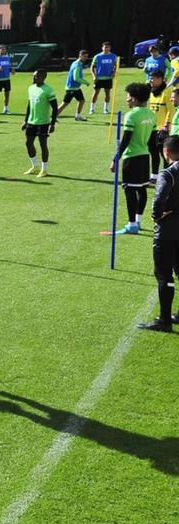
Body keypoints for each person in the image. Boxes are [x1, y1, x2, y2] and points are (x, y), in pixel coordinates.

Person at [138, 134, 179, 331]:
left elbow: (158, 200)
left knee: (164, 276)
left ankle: (164, 320)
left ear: (167, 152)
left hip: (167, 232)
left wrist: (157, 215)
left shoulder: (167, 174)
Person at [112, 83, 157, 234]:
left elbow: (125, 140)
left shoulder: (131, 115)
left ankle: (131, 225)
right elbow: (152, 143)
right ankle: (137, 221)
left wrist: (115, 158)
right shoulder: (152, 115)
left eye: (129, 97)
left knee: (130, 191)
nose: (127, 100)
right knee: (142, 189)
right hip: (145, 157)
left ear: (135, 99)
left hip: (131, 158)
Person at [22, 69, 59, 177]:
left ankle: (44, 169)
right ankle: (35, 166)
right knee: (28, 143)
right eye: (34, 76)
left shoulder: (48, 90)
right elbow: (29, 106)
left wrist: (52, 124)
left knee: (43, 145)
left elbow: (55, 108)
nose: (33, 78)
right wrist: (25, 121)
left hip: (43, 123)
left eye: (36, 76)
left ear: (43, 77)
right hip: (31, 122)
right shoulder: (31, 88)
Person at [146, 72, 173, 179]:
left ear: (160, 79)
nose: (150, 81)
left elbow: (171, 110)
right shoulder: (152, 92)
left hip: (163, 129)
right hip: (152, 128)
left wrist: (166, 126)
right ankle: (154, 175)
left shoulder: (167, 91)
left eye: (152, 79)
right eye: (150, 78)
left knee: (165, 154)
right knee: (153, 151)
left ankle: (167, 174)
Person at [57, 51, 89, 121]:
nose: (86, 58)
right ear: (80, 55)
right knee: (65, 103)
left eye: (86, 56)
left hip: (75, 88)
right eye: (84, 56)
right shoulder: (77, 65)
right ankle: (53, 117)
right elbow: (76, 78)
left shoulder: (77, 63)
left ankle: (77, 116)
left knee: (81, 101)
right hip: (72, 88)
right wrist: (86, 82)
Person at [90, 42, 118, 115]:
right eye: (105, 47)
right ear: (102, 48)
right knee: (96, 93)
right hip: (98, 78)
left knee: (107, 93)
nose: (106, 49)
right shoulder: (97, 56)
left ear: (110, 48)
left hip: (108, 78)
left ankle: (106, 109)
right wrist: (93, 75)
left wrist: (114, 73)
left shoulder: (114, 56)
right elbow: (92, 67)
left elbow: (116, 66)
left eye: (108, 47)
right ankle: (92, 108)